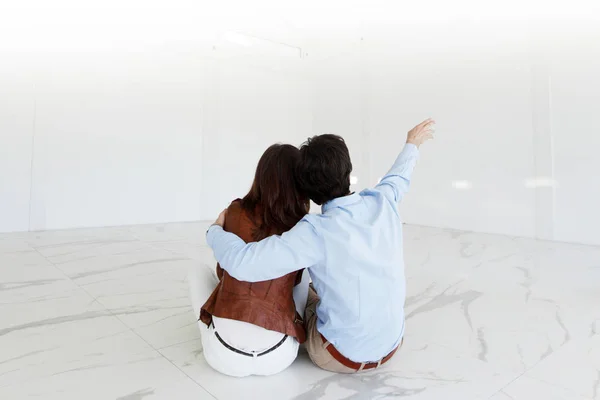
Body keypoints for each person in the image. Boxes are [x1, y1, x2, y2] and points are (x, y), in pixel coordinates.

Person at [206, 119, 435, 373]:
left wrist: (215, 231)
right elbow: (398, 177)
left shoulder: (314, 232)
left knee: (302, 286)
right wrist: (412, 144)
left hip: (340, 357)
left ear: (309, 192)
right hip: (393, 346)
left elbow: (243, 264)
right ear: (348, 169)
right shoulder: (383, 201)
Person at [189, 144, 311, 377]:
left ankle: (213, 328)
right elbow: (295, 280)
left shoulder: (235, 211)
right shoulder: (301, 225)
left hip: (223, 355)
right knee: (303, 276)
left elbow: (222, 271)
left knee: (196, 270)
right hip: (280, 356)